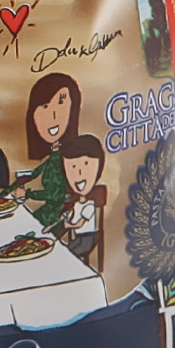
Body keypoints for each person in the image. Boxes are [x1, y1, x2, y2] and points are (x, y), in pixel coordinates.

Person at [13, 71, 83, 230]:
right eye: (45, 106)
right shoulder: (54, 157)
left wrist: (28, 194)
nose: (53, 115)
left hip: (58, 216)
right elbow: (36, 172)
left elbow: (55, 195)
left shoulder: (66, 159)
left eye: (61, 103)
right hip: (50, 213)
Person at [55, 135, 106, 264]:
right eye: (72, 167)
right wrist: (65, 217)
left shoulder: (89, 205)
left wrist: (68, 225)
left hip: (88, 238)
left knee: (68, 256)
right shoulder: (77, 203)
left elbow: (79, 223)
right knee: (63, 252)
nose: (79, 173)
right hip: (78, 237)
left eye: (86, 164)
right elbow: (72, 216)